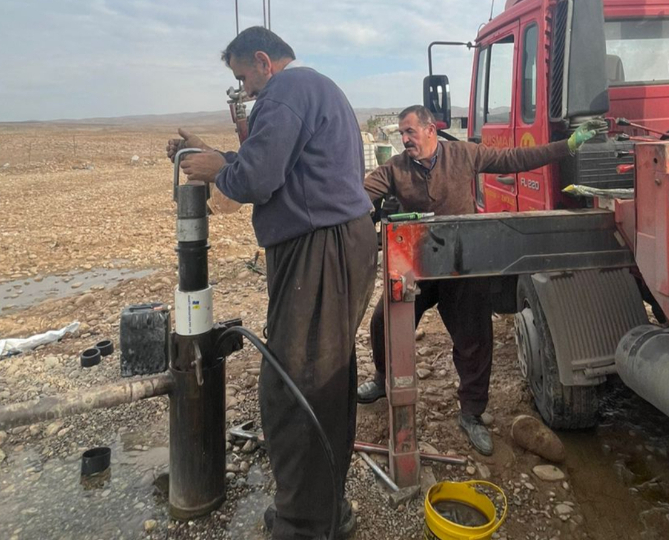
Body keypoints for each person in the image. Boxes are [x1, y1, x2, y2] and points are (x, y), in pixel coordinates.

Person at [169, 27, 375, 540]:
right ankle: (325, 509)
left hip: (318, 252)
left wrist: (221, 172)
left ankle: (305, 526)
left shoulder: (284, 91)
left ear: (263, 61)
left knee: (296, 385)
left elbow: (257, 181)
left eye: (244, 78)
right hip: (334, 245)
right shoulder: (314, 89)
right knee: (325, 381)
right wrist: (217, 156)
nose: (246, 90)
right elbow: (276, 167)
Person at [358, 105, 603, 456]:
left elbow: (515, 159)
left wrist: (569, 145)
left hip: (462, 263)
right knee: (384, 322)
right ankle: (384, 381)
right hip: (416, 264)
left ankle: (472, 412)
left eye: (410, 131)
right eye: (401, 133)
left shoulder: (463, 153)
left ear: (430, 129)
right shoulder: (396, 168)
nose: (405, 139)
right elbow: (361, 194)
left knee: (474, 338)